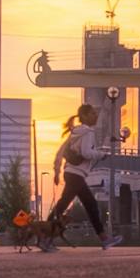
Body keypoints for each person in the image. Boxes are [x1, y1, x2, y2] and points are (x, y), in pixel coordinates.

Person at [50, 104, 122, 250]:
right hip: (76, 174)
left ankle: (104, 239)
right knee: (70, 205)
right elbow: (86, 153)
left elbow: (62, 151)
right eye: (92, 114)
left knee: (86, 204)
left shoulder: (75, 132)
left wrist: (57, 171)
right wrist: (101, 155)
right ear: (84, 116)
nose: (95, 116)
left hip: (71, 173)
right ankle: (46, 236)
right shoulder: (88, 132)